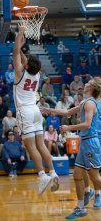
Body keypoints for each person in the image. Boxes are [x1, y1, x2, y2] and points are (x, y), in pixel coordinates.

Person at [41, 77, 101, 219]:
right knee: (77, 175)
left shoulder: (90, 104)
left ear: (91, 89)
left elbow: (86, 125)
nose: (85, 84)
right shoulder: (85, 103)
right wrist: (49, 109)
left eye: (88, 83)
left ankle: (96, 193)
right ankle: (80, 208)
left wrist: (69, 127)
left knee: (94, 176)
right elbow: (68, 113)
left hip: (91, 142)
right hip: (85, 142)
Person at [12, 25, 59, 195]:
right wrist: (21, 46)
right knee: (41, 144)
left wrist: (20, 34)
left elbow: (15, 53)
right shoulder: (37, 74)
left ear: (26, 66)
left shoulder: (19, 73)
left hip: (24, 111)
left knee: (30, 146)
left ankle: (42, 175)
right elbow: (21, 57)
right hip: (36, 110)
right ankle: (52, 172)